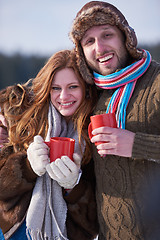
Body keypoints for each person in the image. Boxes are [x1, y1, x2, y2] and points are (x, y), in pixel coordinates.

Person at [67, 1, 160, 239]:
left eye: (107, 35)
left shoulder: (157, 82)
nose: (99, 48)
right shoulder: (91, 95)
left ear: (125, 38)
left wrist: (137, 144)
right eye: (89, 41)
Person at [0, 49, 98, 240]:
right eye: (55, 88)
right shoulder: (23, 114)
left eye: (72, 87)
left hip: (62, 234)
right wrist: (27, 167)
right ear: (47, 87)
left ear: (85, 88)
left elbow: (93, 221)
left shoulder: (93, 131)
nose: (63, 96)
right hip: (11, 231)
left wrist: (72, 186)